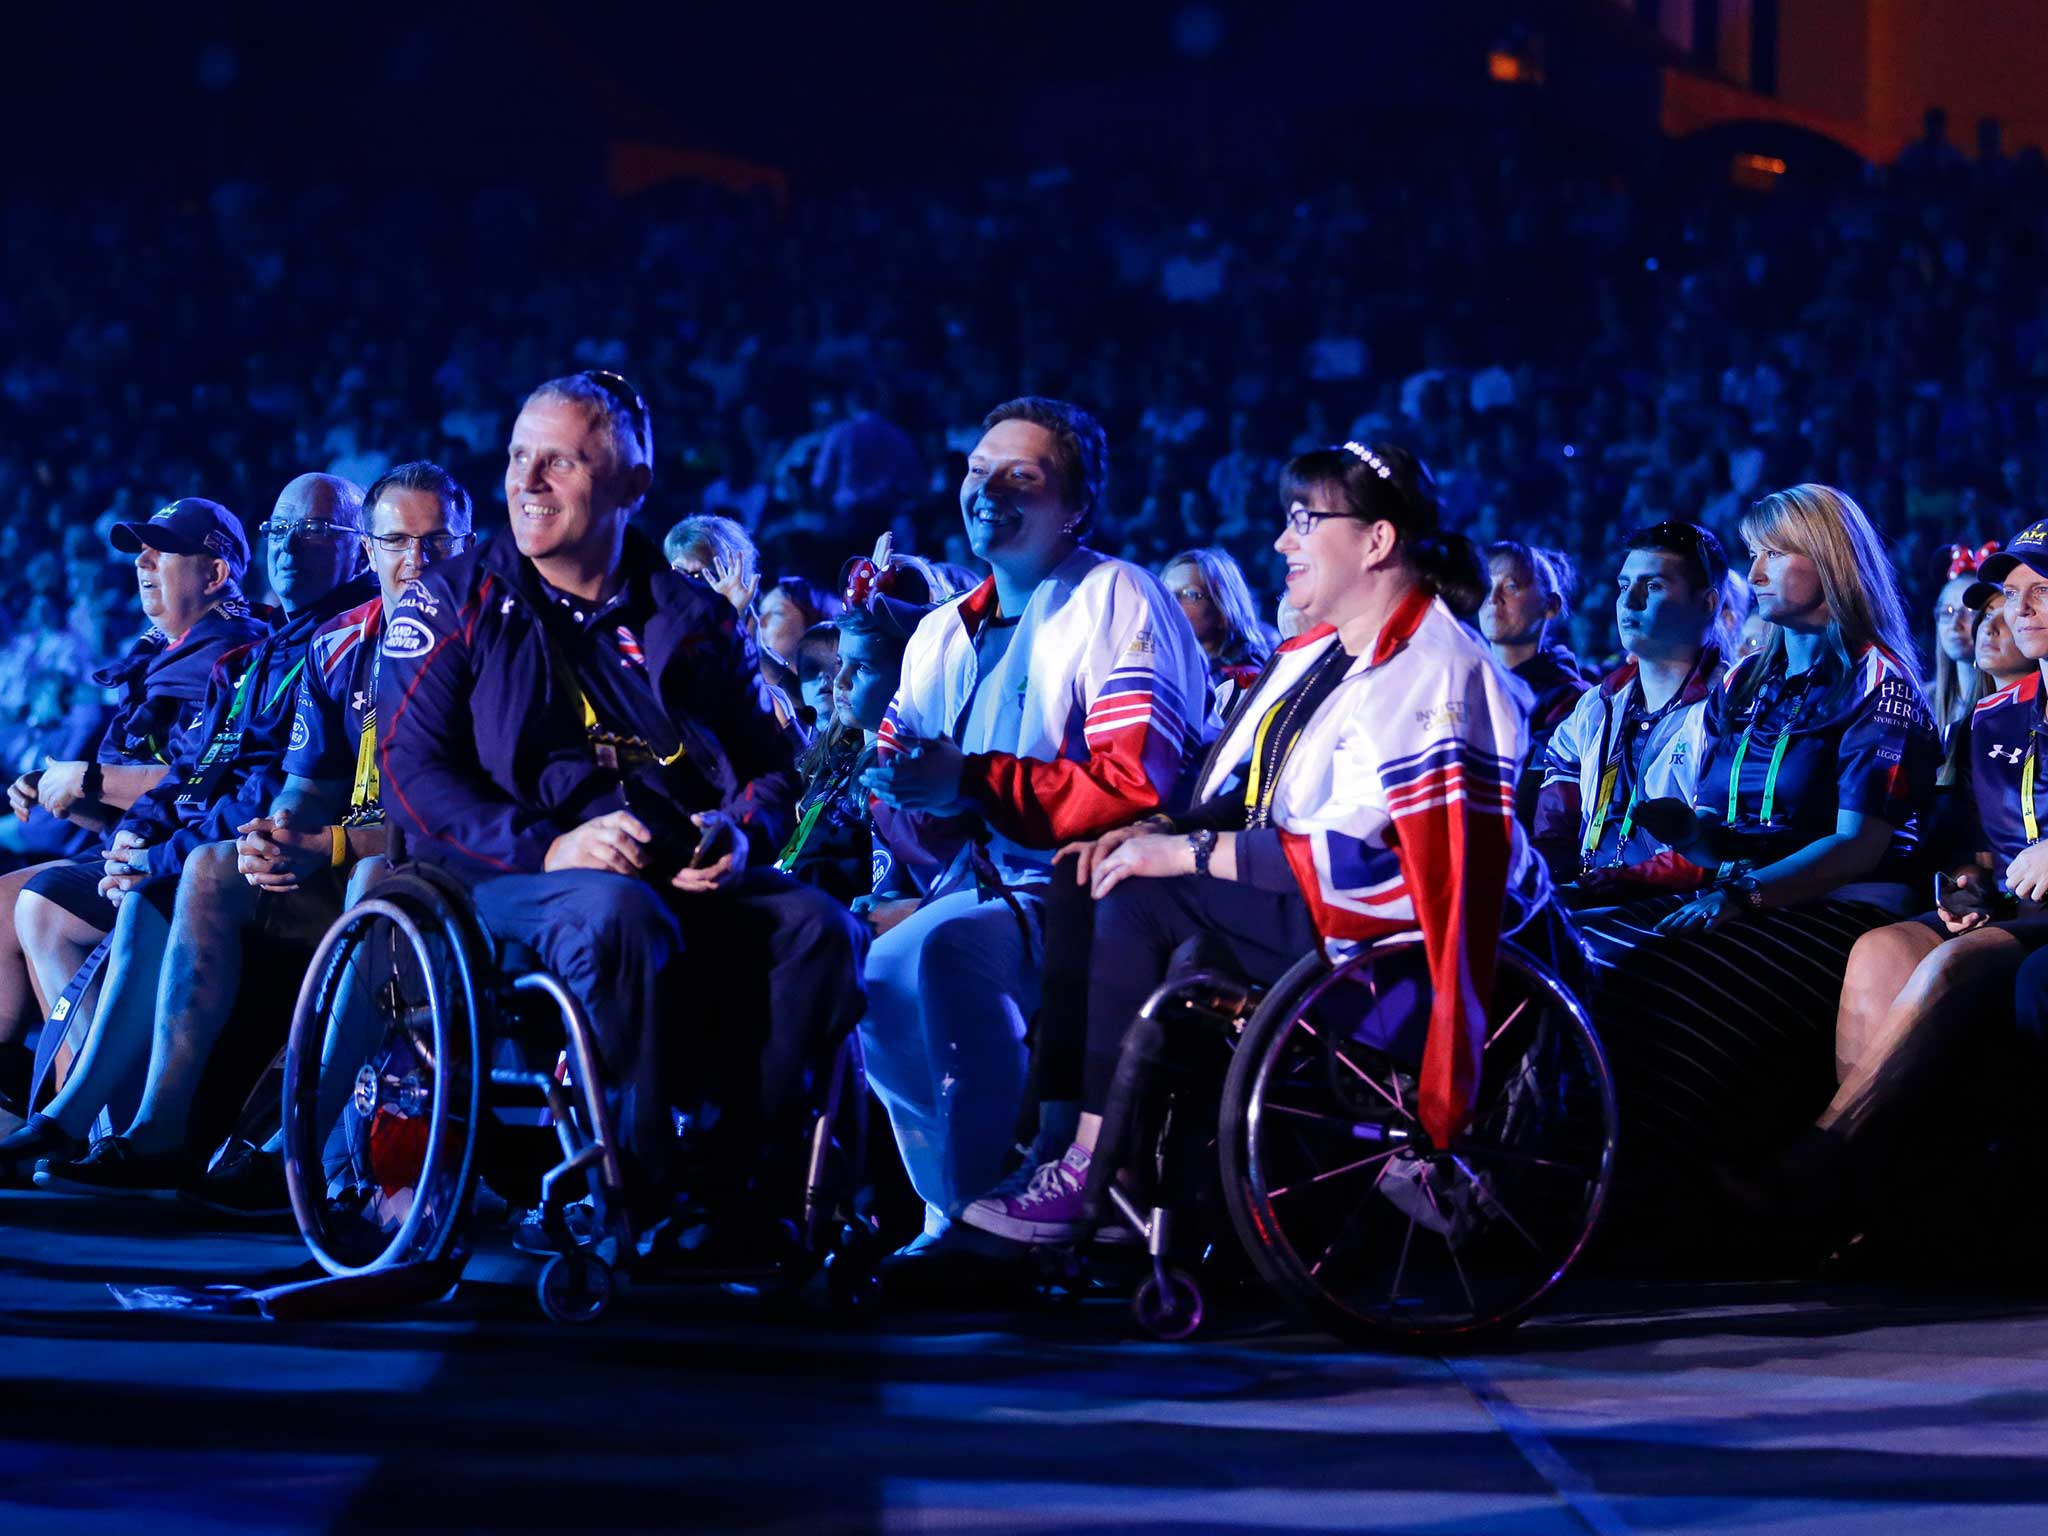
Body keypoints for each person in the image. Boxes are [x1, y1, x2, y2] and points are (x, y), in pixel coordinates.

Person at [960, 439, 1555, 1243]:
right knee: (1089, 867)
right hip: (1308, 902)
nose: (1283, 542)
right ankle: (1068, 1145)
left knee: (1139, 899)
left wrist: (1181, 856)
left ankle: (1099, 1169)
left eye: (1305, 521)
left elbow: (1395, 862)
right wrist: (1162, 828)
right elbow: (1254, 797)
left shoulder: (1436, 669)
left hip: (1392, 939)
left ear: (1377, 541)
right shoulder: (1323, 654)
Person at [376, 371, 866, 1230]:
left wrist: (741, 832)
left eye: (559, 462)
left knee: (819, 927)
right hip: (498, 878)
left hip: (668, 867)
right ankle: (631, 1185)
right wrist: (549, 848)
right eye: (519, 457)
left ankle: (733, 1185)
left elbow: (775, 767)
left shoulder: (694, 617)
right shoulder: (450, 601)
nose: (526, 483)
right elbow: (414, 778)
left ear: (632, 485)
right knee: (615, 916)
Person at [29, 466, 474, 1202]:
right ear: (373, 547)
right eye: (396, 540)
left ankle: (289, 1152)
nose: (415, 561)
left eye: (434, 542)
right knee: (204, 869)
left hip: (434, 876)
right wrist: (270, 840)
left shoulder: (487, 643)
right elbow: (290, 792)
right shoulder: (334, 645)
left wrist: (324, 845)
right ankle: (146, 1131)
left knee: (373, 882)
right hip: (337, 864)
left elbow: (444, 822)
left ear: (466, 545)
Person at [857, 396, 1210, 1275]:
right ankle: (950, 1213)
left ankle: (990, 1224)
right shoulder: (941, 631)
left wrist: (969, 783)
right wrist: (900, 790)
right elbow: (911, 793)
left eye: (1023, 478)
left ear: (1078, 505)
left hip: (1094, 890)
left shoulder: (1116, 596)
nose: (988, 493)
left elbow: (1140, 783)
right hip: (976, 883)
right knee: (871, 966)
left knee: (943, 960)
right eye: (978, 472)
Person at [1575, 484, 1941, 1199]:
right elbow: (1728, 842)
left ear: (1832, 563)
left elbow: (1856, 849)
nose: (1759, 570)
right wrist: (1691, 835)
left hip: (1839, 914)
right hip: (1749, 901)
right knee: (1574, 948)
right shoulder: (1745, 681)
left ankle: (1671, 1193)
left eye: (1777, 552)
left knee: (1640, 975)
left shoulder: (1879, 683)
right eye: (1753, 555)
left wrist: (1743, 892)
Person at [1748, 520, 2048, 1229]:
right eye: (2009, 595)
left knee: (1952, 966)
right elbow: (1968, 845)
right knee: (1878, 950)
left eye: (2041, 592)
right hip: (2013, 911)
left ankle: (1816, 1166)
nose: (2019, 609)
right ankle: (1870, 1212)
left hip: (2036, 924)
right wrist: (1962, 884)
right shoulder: (1991, 720)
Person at [0, 501, 268, 1133]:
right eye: (140, 551)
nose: (143, 563)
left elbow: (201, 781)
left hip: (198, 861)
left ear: (215, 574)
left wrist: (89, 778)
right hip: (137, 849)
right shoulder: (161, 654)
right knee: (1, 902)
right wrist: (66, 793)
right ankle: (15, 1113)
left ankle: (93, 1123)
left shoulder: (232, 654)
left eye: (163, 551)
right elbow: (135, 808)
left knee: (43, 905)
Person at [1534, 521, 1728, 893]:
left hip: (1677, 909)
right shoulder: (1597, 706)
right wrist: (1544, 879)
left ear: (1707, 603)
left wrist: (1616, 883)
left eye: (1652, 586)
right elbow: (1554, 830)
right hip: (1591, 897)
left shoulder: (1730, 706)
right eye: (1625, 586)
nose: (1628, 601)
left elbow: (1720, 843)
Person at [1479, 540, 1590, 824]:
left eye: (1511, 587)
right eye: (1486, 585)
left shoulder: (1571, 699)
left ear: (1550, 606)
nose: (1493, 598)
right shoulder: (1466, 681)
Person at [1159, 546, 1272, 704]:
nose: (1171, 601)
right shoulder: (1164, 668)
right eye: (1165, 592)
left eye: (1190, 594)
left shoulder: (1242, 684)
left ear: (1223, 611)